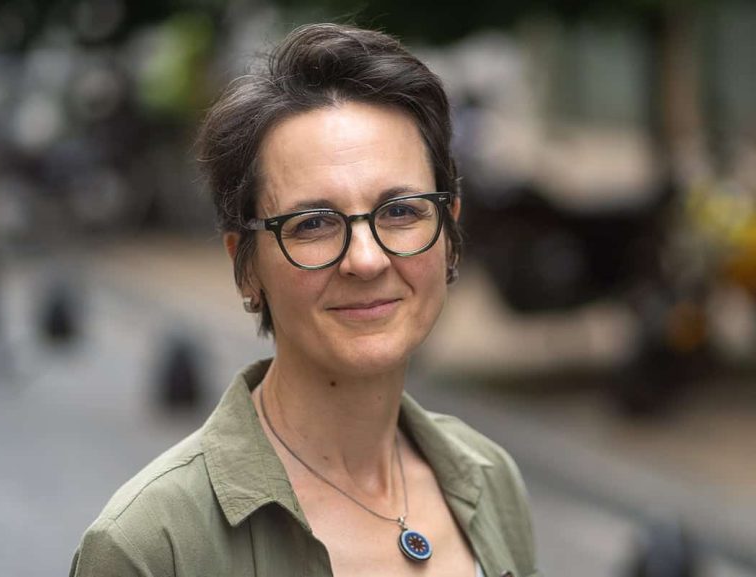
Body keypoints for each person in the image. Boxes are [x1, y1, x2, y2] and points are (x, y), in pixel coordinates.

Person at [69, 23, 541, 577]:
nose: (366, 259)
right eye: (313, 223)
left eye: (400, 211)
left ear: (449, 232)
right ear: (246, 266)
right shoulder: (151, 546)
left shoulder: (489, 478)